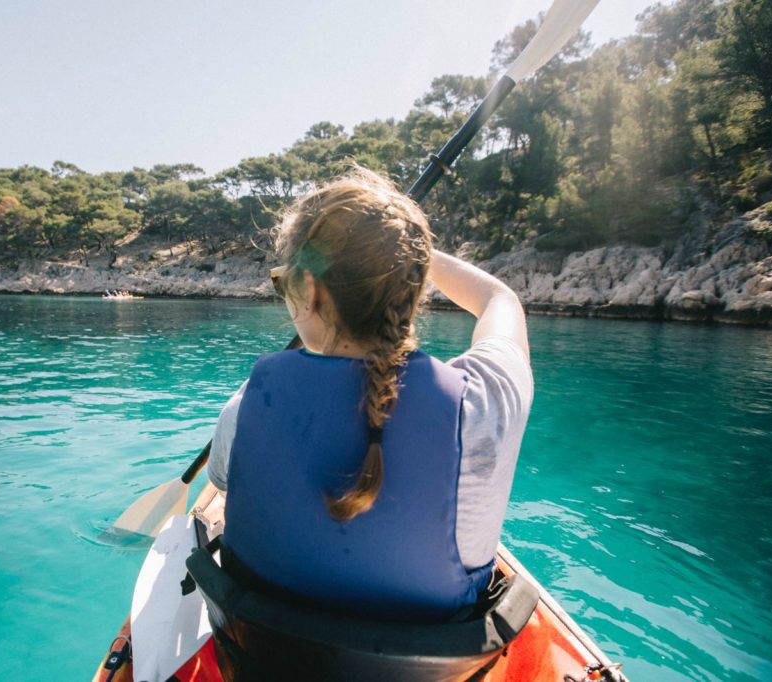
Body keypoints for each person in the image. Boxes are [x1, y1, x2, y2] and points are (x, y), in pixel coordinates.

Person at [205, 168, 533, 619]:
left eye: (284, 283)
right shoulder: (481, 408)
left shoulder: (243, 412)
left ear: (310, 289)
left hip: (260, 655)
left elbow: (224, 487)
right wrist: (410, 254)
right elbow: (499, 300)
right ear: (412, 288)